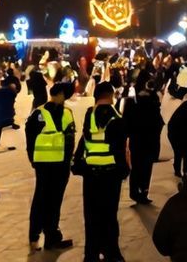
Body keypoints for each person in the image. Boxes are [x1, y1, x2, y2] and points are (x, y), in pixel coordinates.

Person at [75, 81, 129, 262]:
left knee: (91, 215)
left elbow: (85, 140)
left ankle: (91, 254)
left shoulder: (89, 115)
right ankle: (111, 252)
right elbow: (120, 148)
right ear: (111, 96)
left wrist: (77, 163)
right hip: (111, 174)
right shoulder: (117, 117)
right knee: (109, 214)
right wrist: (124, 170)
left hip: (91, 173)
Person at [24, 83, 75, 251]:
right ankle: (49, 235)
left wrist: (33, 159)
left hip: (43, 164)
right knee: (53, 200)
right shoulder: (64, 113)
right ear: (61, 94)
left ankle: (37, 236)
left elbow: (29, 138)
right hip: (58, 164)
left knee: (41, 198)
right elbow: (70, 140)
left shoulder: (38, 113)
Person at [123, 84, 164, 204]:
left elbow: (126, 124)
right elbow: (159, 124)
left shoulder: (132, 105)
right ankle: (143, 191)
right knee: (146, 167)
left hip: (136, 141)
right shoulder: (153, 106)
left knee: (136, 166)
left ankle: (135, 191)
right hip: (150, 141)